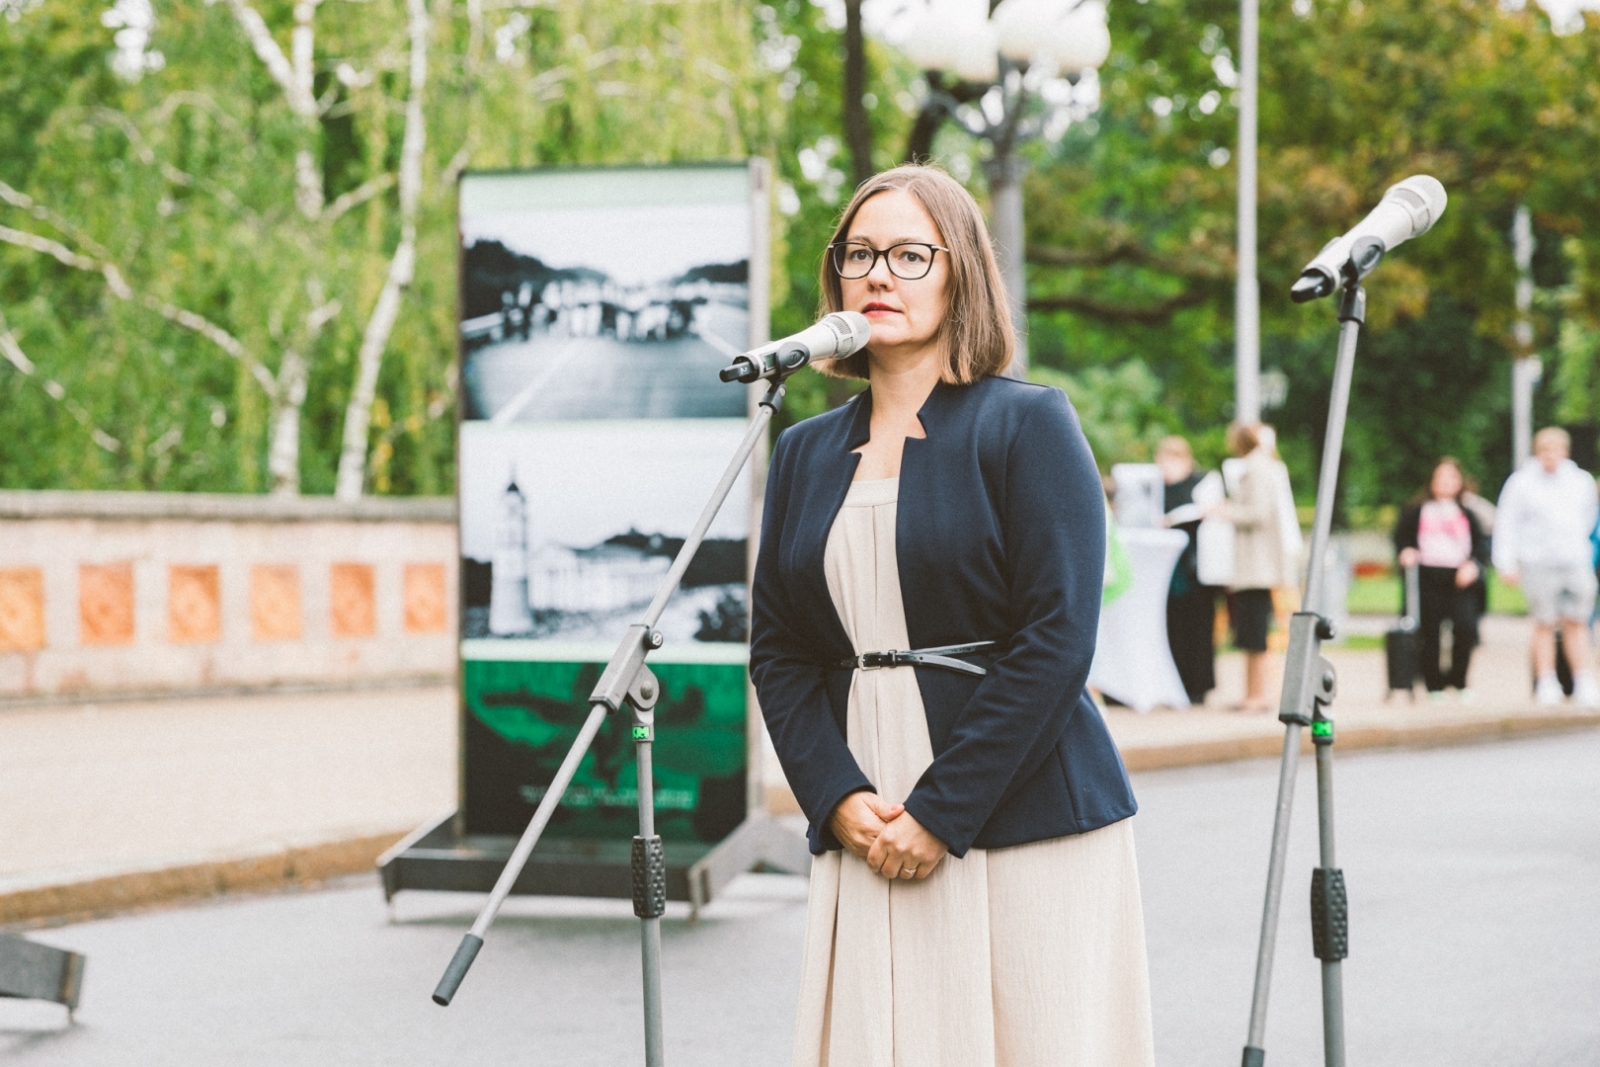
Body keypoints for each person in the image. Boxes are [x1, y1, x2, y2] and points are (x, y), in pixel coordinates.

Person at [750, 164, 1153, 1067]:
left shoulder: (1028, 424)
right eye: (860, 253)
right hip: (866, 804)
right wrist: (838, 796)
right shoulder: (806, 450)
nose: (880, 274)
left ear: (959, 271)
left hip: (1017, 807)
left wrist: (940, 811)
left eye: (908, 253)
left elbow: (1057, 639)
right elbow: (778, 650)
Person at [1492, 426, 1600, 707]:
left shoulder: (1580, 481)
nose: (1551, 456)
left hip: (1574, 559)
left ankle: (1583, 680)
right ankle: (1546, 681)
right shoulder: (1522, 483)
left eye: (1556, 450)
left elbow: (1588, 518)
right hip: (1538, 561)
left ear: (1565, 452)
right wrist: (1506, 562)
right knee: (1544, 622)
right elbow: (1507, 523)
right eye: (1545, 450)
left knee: (1577, 621)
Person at [1210, 422, 1299, 711]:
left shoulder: (1258, 469)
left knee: (1256, 632)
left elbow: (1259, 513)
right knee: (1249, 632)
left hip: (1257, 566)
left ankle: (1258, 695)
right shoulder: (1261, 467)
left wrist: (1228, 511)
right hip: (1254, 565)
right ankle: (1252, 693)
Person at [1393, 458, 1491, 699]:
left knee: (1466, 628)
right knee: (1430, 632)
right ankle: (1433, 684)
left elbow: (1482, 545)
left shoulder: (1468, 512)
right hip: (1428, 577)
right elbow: (1401, 538)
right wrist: (1405, 552)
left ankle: (1458, 681)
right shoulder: (1417, 510)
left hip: (1460, 578)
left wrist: (1473, 566)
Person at [1157, 435, 1220, 706]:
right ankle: (1175, 684)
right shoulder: (1158, 487)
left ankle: (1198, 686)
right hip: (1169, 572)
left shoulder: (1200, 482)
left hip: (1196, 569)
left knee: (1199, 628)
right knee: (1172, 627)